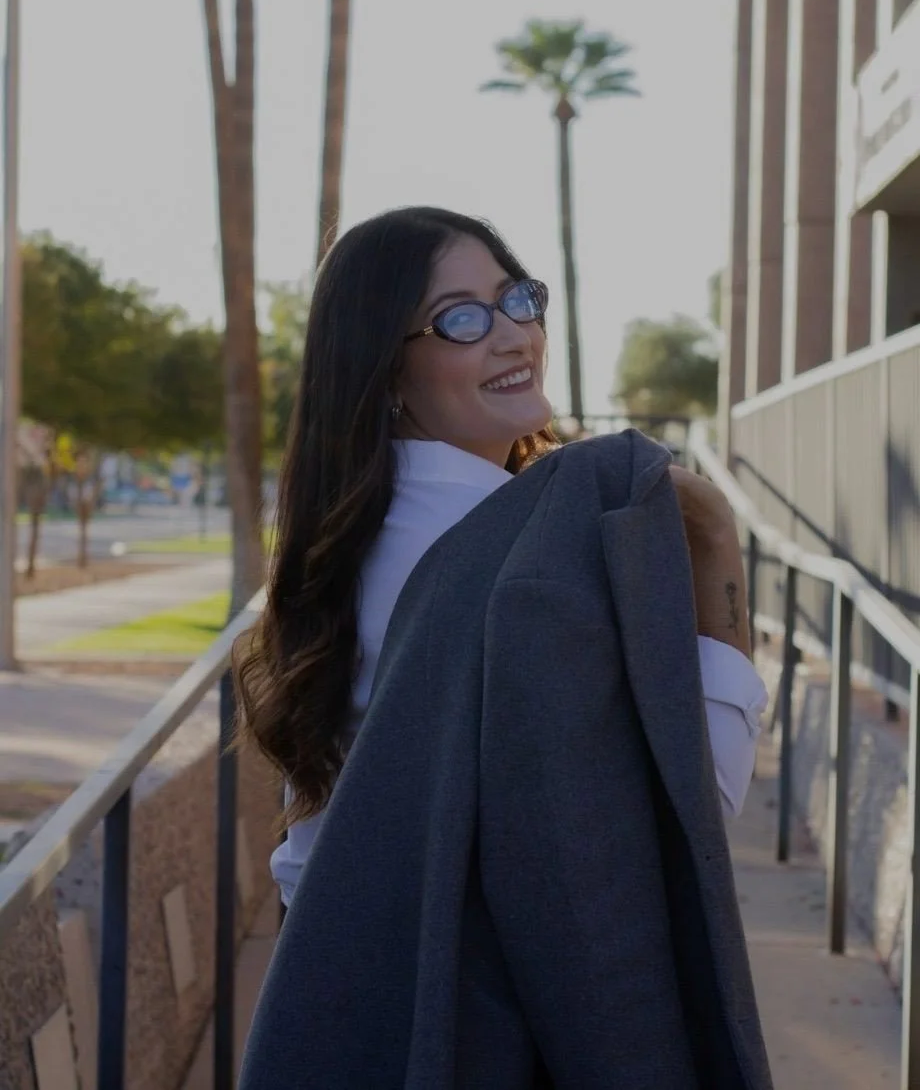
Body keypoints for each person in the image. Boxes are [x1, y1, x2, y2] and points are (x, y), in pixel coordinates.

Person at [235, 206, 773, 1088]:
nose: (514, 334)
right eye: (460, 317)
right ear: (389, 371)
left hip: (341, 1001)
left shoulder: (357, 538)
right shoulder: (517, 569)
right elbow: (695, 793)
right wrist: (713, 536)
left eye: (516, 297)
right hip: (475, 1028)